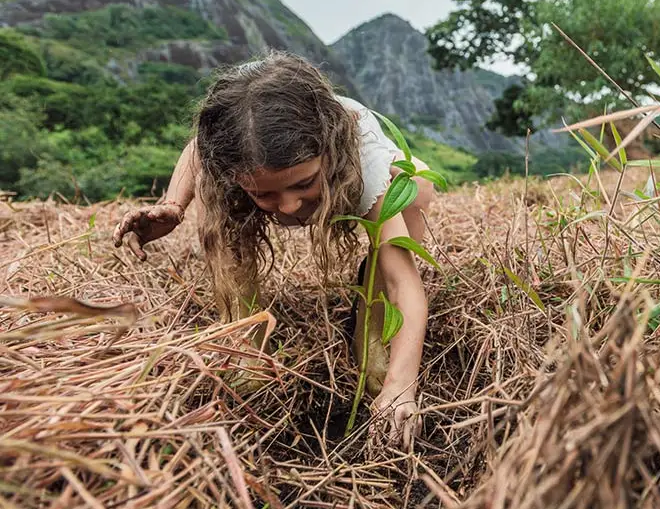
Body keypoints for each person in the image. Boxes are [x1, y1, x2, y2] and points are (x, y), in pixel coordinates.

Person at [112, 51, 433, 447]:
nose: (288, 207)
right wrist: (174, 205)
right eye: (264, 192)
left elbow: (406, 285)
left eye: (302, 184)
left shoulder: (360, 152)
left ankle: (372, 319)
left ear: (329, 152)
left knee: (416, 192)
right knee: (223, 220)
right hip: (256, 175)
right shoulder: (229, 144)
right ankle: (245, 338)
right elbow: (198, 149)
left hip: (361, 175)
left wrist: (402, 385)